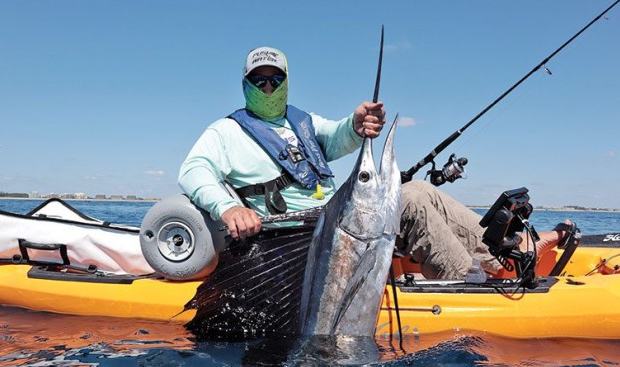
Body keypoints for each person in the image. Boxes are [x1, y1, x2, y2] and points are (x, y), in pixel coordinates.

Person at [179, 46, 569, 280]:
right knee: (411, 202)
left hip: (339, 221)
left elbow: (336, 136)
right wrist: (227, 207)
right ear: (245, 83)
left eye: (274, 80)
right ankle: (462, 278)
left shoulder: (300, 121)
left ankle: (512, 248)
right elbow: (193, 170)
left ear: (286, 82)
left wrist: (356, 123)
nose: (267, 87)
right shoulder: (226, 132)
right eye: (258, 80)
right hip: (300, 239)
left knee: (416, 190)